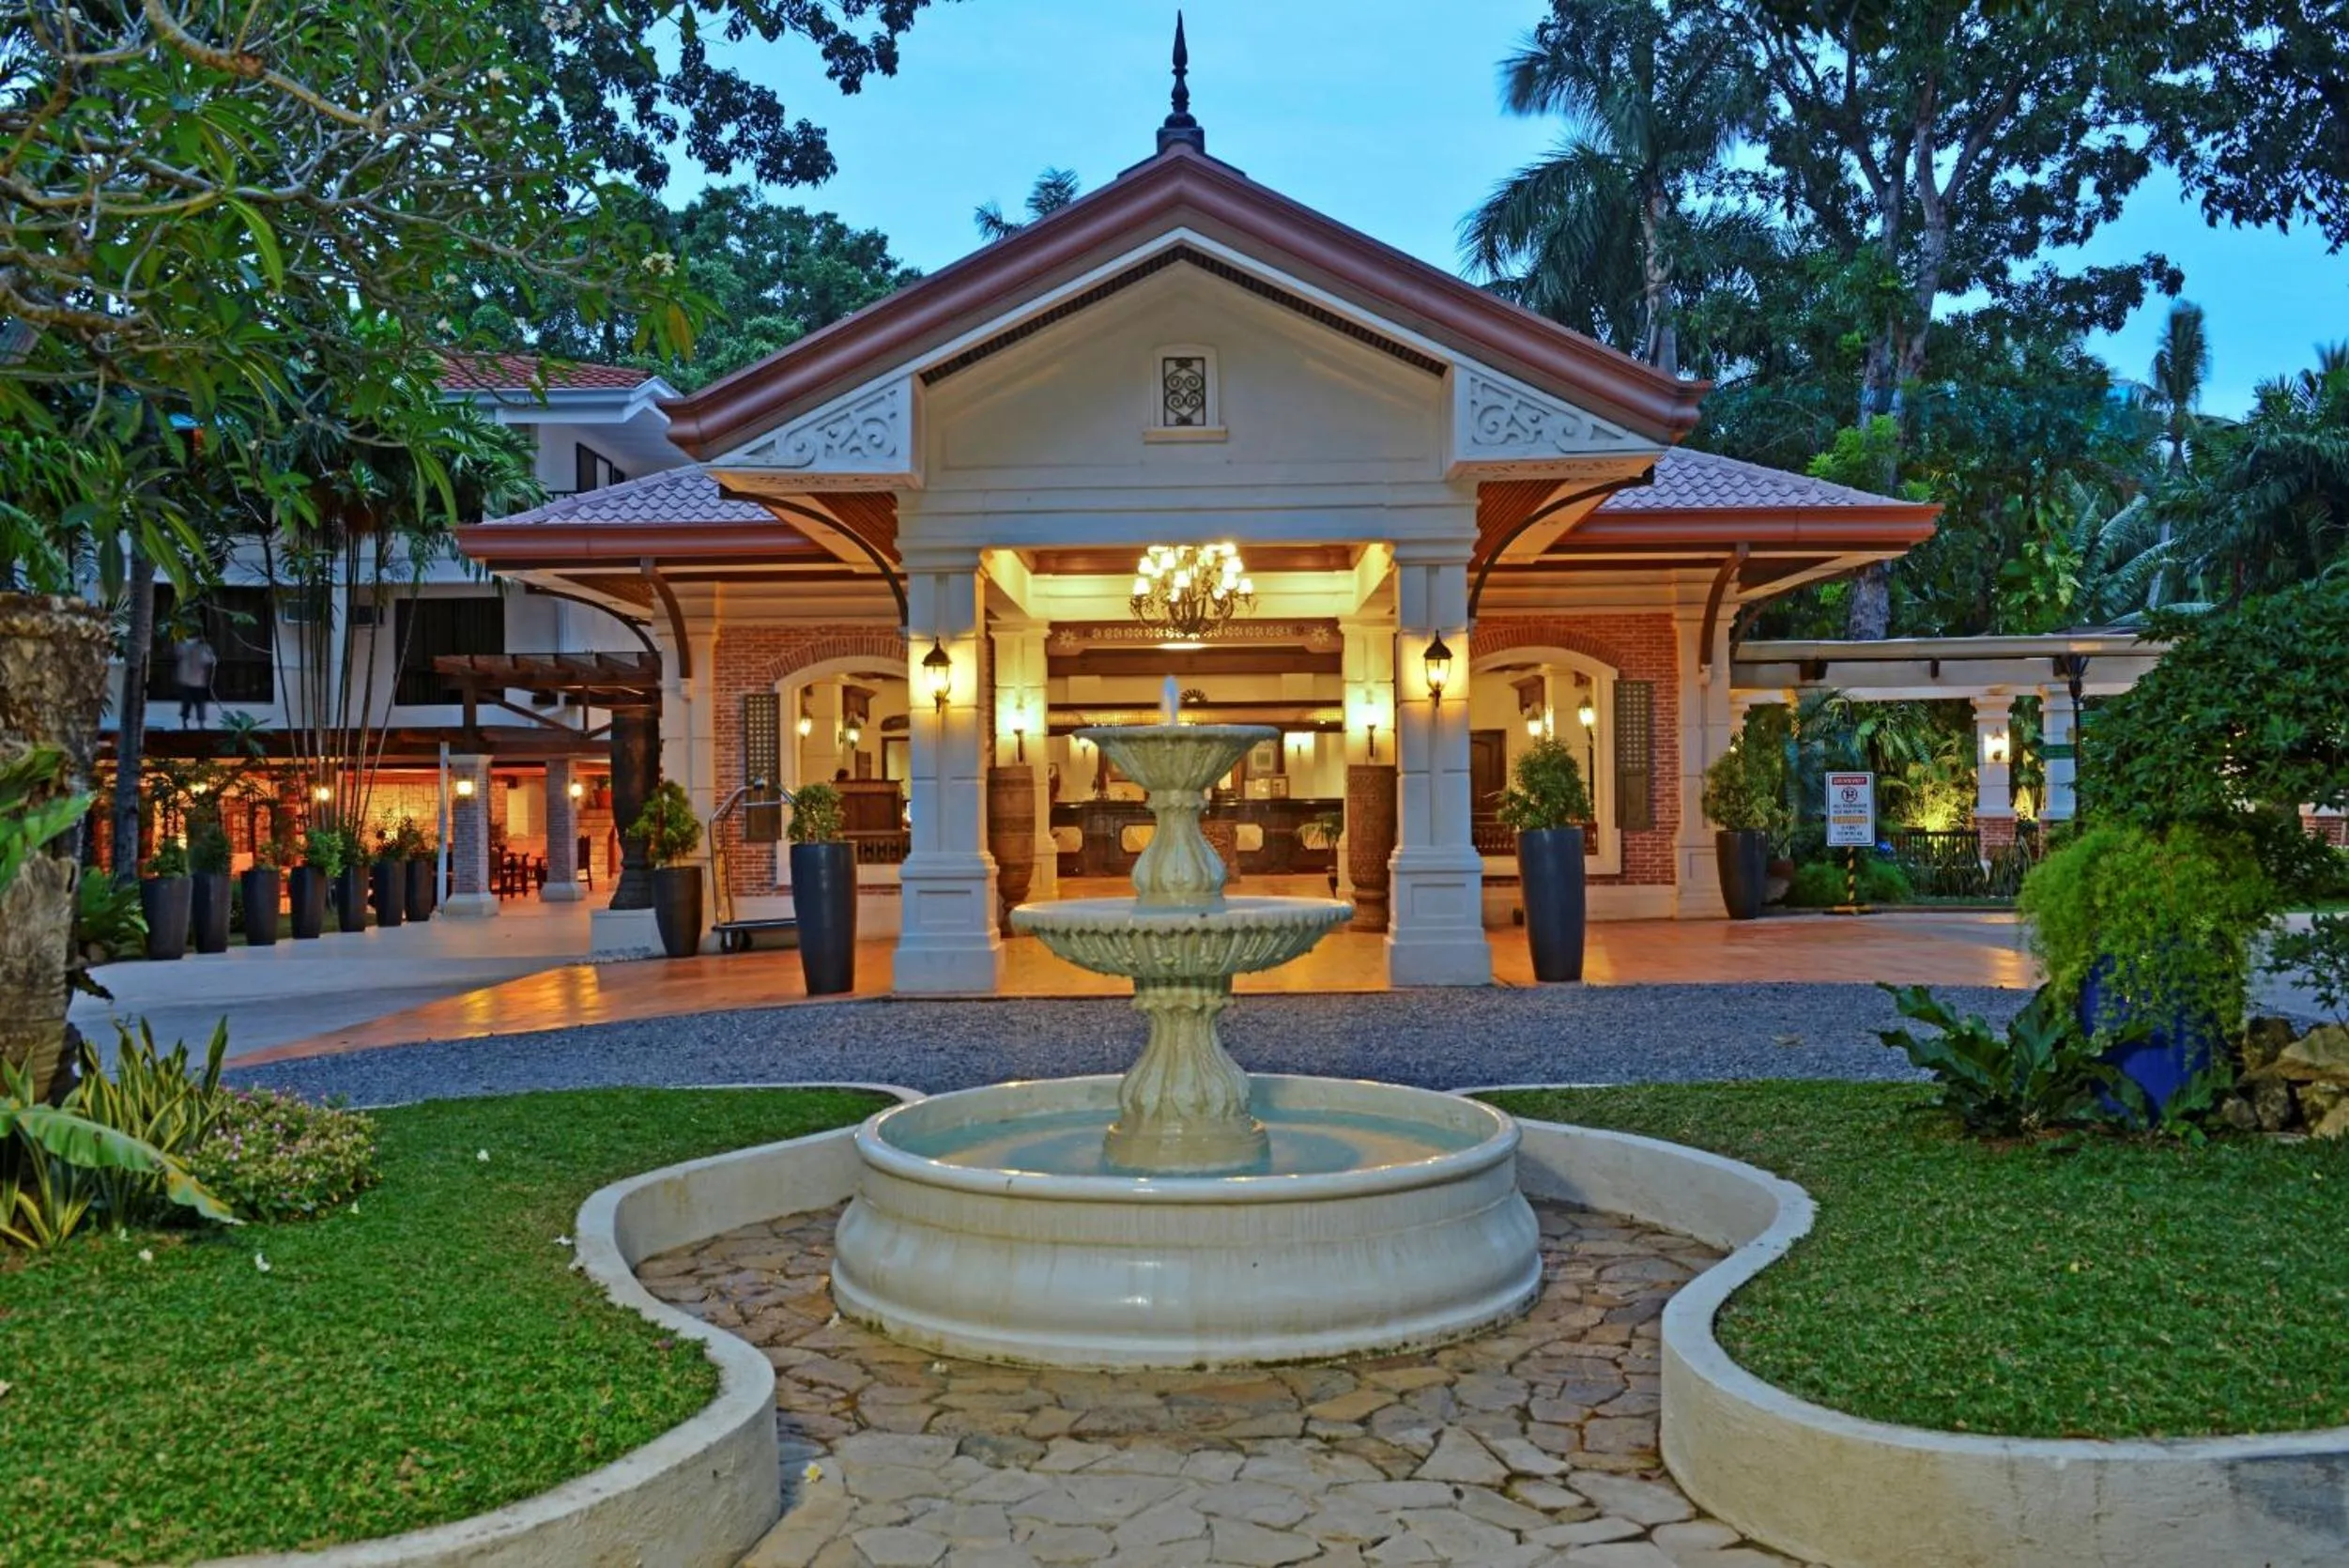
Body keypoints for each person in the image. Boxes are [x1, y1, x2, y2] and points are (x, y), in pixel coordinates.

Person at [174, 633, 217, 729]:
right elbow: (209, 660)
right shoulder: (185, 645)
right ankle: (187, 723)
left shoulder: (204, 647)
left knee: (197, 703)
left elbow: (210, 660)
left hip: (197, 680)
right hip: (189, 679)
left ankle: (198, 724)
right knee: (189, 703)